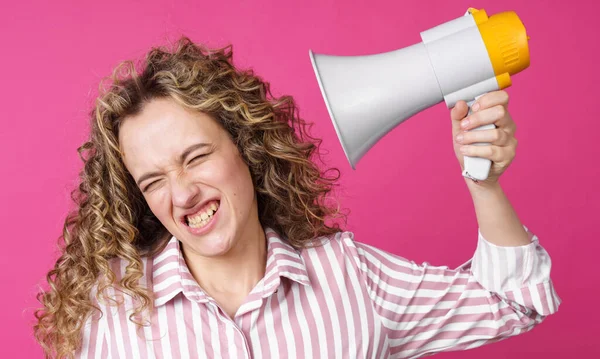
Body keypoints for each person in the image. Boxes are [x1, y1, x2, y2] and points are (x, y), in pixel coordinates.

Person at [34, 36, 561, 359]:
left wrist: (483, 184)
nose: (183, 193)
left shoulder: (349, 276)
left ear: (246, 149)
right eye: (153, 182)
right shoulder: (113, 318)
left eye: (196, 158)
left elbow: (512, 302)